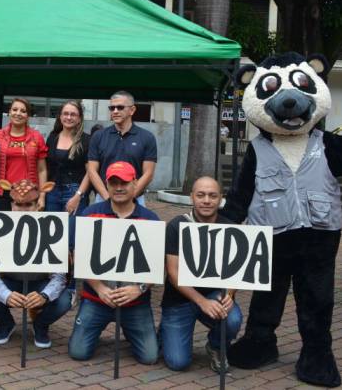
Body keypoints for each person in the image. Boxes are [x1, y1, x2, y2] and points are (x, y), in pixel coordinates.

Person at [68, 161, 160, 364]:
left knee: (149, 357)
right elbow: (79, 256)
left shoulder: (150, 219)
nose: (119, 188)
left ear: (135, 184)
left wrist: (139, 288)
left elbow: (157, 265)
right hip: (96, 299)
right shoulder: (90, 214)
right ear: (107, 185)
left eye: (124, 183)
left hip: (134, 301)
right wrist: (99, 288)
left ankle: (133, 331)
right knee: (78, 352)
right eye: (113, 183)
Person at [160, 176, 243, 372]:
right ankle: (164, 332)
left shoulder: (230, 228)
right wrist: (201, 302)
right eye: (201, 195)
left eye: (212, 196)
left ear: (220, 199)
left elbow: (237, 270)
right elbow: (173, 273)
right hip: (179, 299)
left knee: (233, 318)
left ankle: (216, 346)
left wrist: (230, 293)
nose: (206, 200)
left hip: (213, 294)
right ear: (192, 197)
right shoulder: (176, 226)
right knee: (178, 362)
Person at [0, 179, 70, 349]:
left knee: (65, 300)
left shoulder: (51, 229)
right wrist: (6, 294)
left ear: (37, 206)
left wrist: (44, 295)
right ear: (11, 205)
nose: (22, 210)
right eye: (18, 205)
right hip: (11, 282)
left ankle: (40, 325)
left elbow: (59, 276)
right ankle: (6, 323)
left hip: (39, 283)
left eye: (28, 205)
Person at [87, 91, 157, 205]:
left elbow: (148, 174)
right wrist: (107, 198)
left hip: (135, 200)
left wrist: (128, 199)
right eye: (112, 108)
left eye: (120, 107)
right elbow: (92, 170)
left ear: (132, 110)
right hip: (104, 199)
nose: (115, 111)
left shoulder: (147, 137)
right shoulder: (98, 136)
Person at [0, 98, 48, 211]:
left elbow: (42, 170)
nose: (18, 113)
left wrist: (42, 196)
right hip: (5, 192)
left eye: (23, 111)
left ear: (28, 116)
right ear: (9, 112)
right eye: (15, 109)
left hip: (30, 193)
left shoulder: (37, 137)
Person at [45, 100, 91, 214]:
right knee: (53, 226)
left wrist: (78, 195)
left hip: (75, 192)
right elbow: (45, 167)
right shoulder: (52, 137)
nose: (69, 117)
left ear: (79, 118)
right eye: (65, 114)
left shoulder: (86, 140)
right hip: (52, 191)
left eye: (73, 114)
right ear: (60, 116)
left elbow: (90, 172)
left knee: (72, 226)